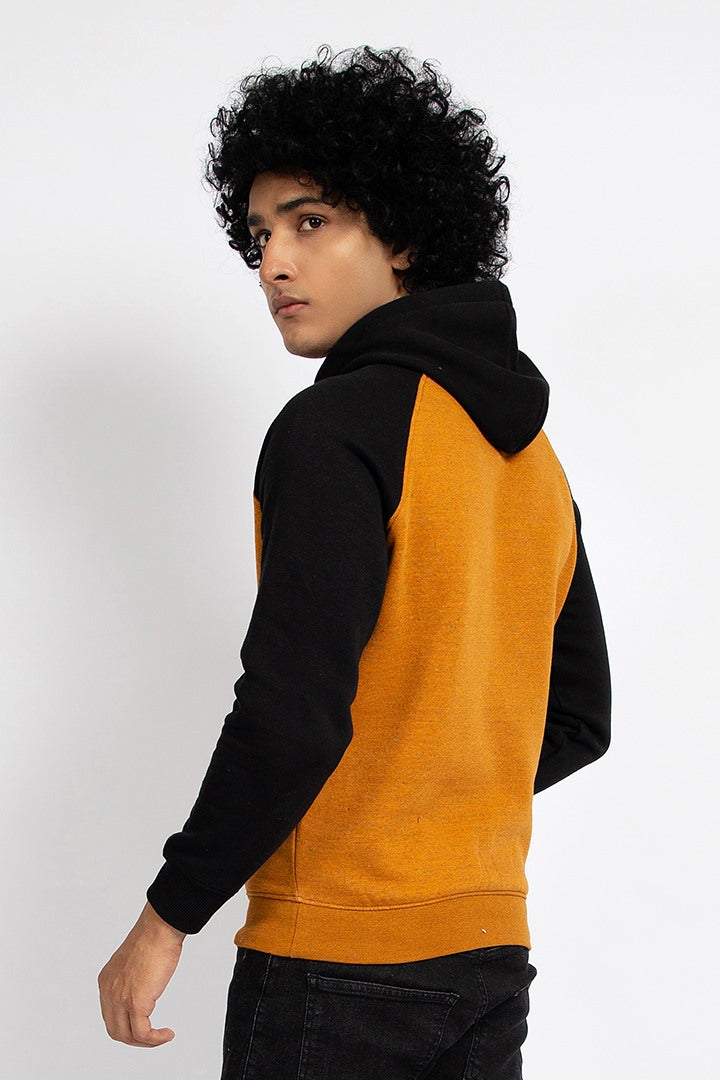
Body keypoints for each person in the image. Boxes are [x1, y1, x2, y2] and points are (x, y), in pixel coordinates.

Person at [98, 44, 611, 1078]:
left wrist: (166, 917)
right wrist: (434, 798)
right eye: (259, 235)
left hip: (334, 962)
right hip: (488, 958)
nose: (272, 264)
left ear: (406, 232)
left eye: (310, 221)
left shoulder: (334, 428)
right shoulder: (530, 457)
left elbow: (291, 713)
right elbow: (578, 718)